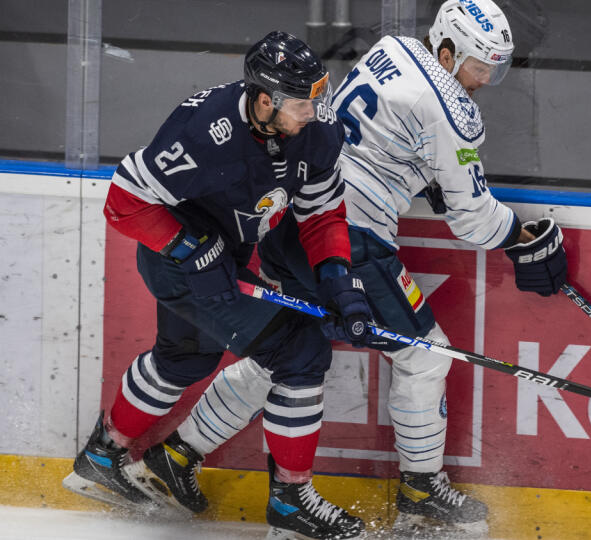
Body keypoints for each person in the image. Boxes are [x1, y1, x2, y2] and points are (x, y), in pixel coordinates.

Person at [143, 0, 568, 536]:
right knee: (424, 358)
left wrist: (425, 174)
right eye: (480, 66)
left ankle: (177, 455)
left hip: (289, 221)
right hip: (350, 239)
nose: (486, 80)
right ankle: (420, 492)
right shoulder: (458, 115)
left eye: (495, 68)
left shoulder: (390, 49)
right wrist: (524, 239)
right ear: (445, 50)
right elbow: (473, 219)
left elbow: (371, 139)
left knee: (285, 352)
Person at [62, 31, 374, 540]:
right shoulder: (204, 130)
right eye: (302, 104)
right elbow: (123, 202)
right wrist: (189, 247)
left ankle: (103, 456)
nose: (313, 114)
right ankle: (291, 502)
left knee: (186, 359)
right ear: (266, 100)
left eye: (318, 99)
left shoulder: (314, 133)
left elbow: (321, 213)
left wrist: (340, 280)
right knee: (301, 351)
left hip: (227, 255)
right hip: (180, 262)